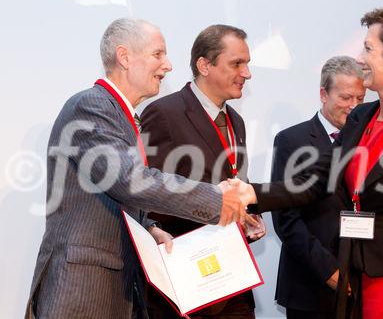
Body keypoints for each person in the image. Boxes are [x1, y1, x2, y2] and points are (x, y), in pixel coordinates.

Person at [232, 4, 383, 319]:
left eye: (369, 48)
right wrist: (252, 193)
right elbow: (319, 181)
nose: (360, 58)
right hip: (359, 281)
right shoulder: (362, 117)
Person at [25, 18, 253, 319]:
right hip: (84, 289)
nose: (168, 65)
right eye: (158, 54)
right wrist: (216, 199)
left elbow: (113, 193)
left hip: (118, 289)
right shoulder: (91, 106)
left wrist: (150, 228)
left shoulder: (125, 118)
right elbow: (129, 181)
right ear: (124, 57)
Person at [140, 24, 265, 319]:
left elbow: (236, 184)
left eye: (247, 63)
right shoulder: (164, 114)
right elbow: (147, 196)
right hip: (188, 289)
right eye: (237, 63)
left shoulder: (236, 121)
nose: (247, 73)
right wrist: (216, 207)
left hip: (234, 283)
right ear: (204, 65)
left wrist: (247, 215)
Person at [271, 56, 365, 319]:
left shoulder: (369, 140)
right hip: (310, 285)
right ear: (324, 94)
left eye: (360, 98)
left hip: (361, 283)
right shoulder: (291, 140)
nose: (354, 107)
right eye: (346, 98)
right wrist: (329, 271)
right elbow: (285, 219)